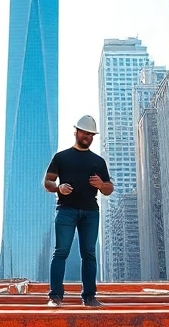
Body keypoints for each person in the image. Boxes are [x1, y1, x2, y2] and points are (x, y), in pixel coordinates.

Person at [43, 115, 113, 308]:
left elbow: (109, 189)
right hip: (66, 210)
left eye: (91, 134)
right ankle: (55, 297)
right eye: (85, 133)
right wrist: (59, 188)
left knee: (89, 254)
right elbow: (47, 182)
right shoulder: (61, 157)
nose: (88, 137)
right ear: (76, 132)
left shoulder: (98, 161)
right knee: (61, 252)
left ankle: (89, 297)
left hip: (90, 212)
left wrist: (102, 185)